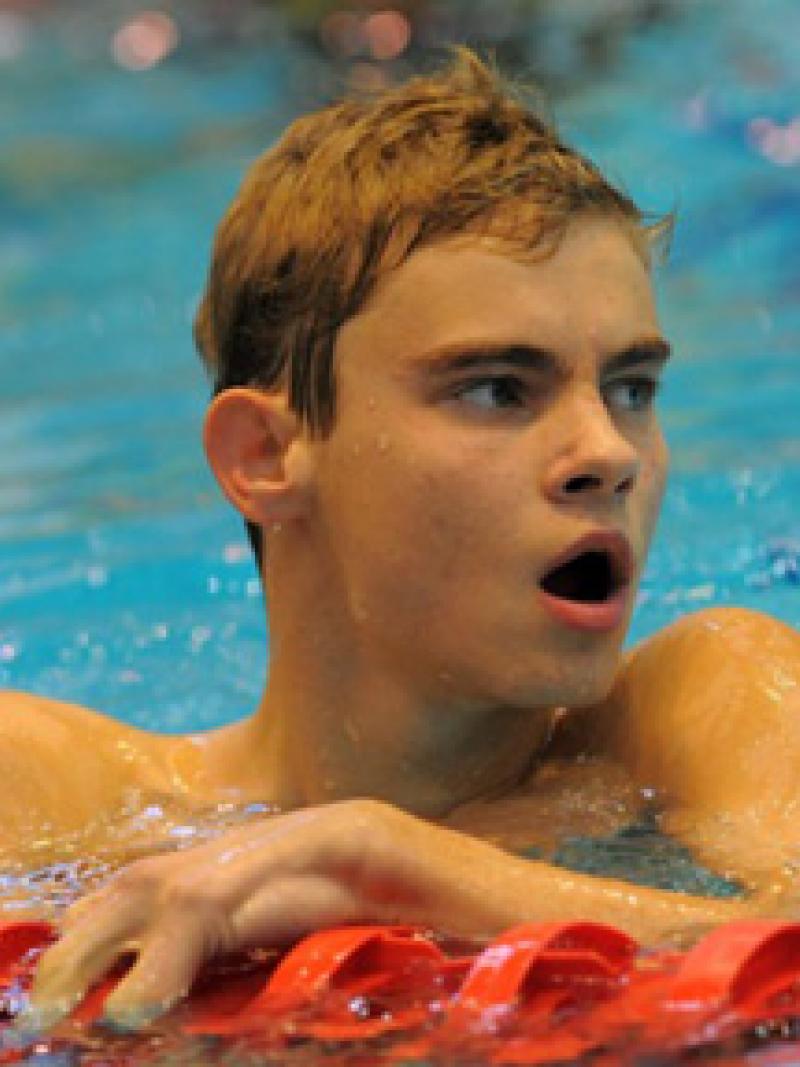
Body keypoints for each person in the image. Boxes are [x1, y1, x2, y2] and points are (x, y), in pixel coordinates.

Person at [2, 48, 798, 1033]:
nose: (607, 452)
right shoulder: (49, 792)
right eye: (496, 388)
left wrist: (385, 864)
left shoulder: (700, 704)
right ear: (265, 454)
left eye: (631, 387)